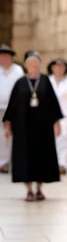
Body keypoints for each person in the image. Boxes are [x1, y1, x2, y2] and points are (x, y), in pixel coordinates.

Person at [2, 51, 63, 201]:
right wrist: (8, 126)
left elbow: (53, 104)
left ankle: (39, 189)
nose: (33, 68)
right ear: (26, 67)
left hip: (43, 129)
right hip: (23, 129)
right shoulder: (20, 83)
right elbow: (12, 107)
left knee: (42, 158)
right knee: (25, 159)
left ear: (39, 66)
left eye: (36, 65)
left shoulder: (45, 82)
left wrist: (57, 124)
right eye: (31, 65)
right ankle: (29, 190)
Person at [0, 44, 24, 173]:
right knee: (1, 136)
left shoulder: (18, 70)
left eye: (6, 56)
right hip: (0, 109)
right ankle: (3, 162)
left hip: (15, 109)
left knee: (15, 135)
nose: (4, 59)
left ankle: (16, 162)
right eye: (1, 56)